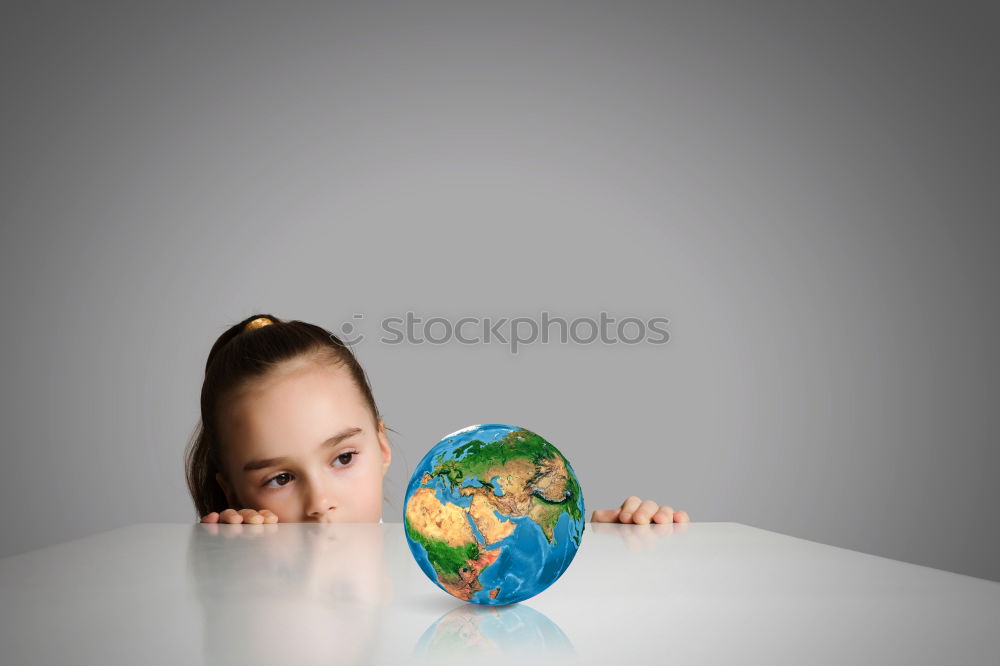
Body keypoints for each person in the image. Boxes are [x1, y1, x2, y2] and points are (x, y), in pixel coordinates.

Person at [186, 314, 691, 527]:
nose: (321, 504)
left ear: (382, 448)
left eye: (343, 457)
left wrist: (609, 557)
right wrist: (229, 556)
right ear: (233, 495)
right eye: (280, 478)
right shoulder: (236, 583)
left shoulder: (447, 557)